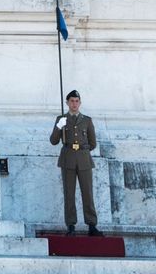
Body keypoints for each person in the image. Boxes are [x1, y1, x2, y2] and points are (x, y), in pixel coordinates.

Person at [49, 89, 103, 237]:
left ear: (80, 103)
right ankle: (71, 225)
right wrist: (59, 127)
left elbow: (93, 143)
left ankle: (92, 225)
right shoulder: (61, 119)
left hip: (84, 159)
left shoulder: (87, 120)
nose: (74, 104)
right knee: (69, 194)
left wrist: (82, 150)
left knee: (88, 193)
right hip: (68, 159)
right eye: (71, 101)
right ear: (67, 103)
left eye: (76, 101)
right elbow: (53, 141)